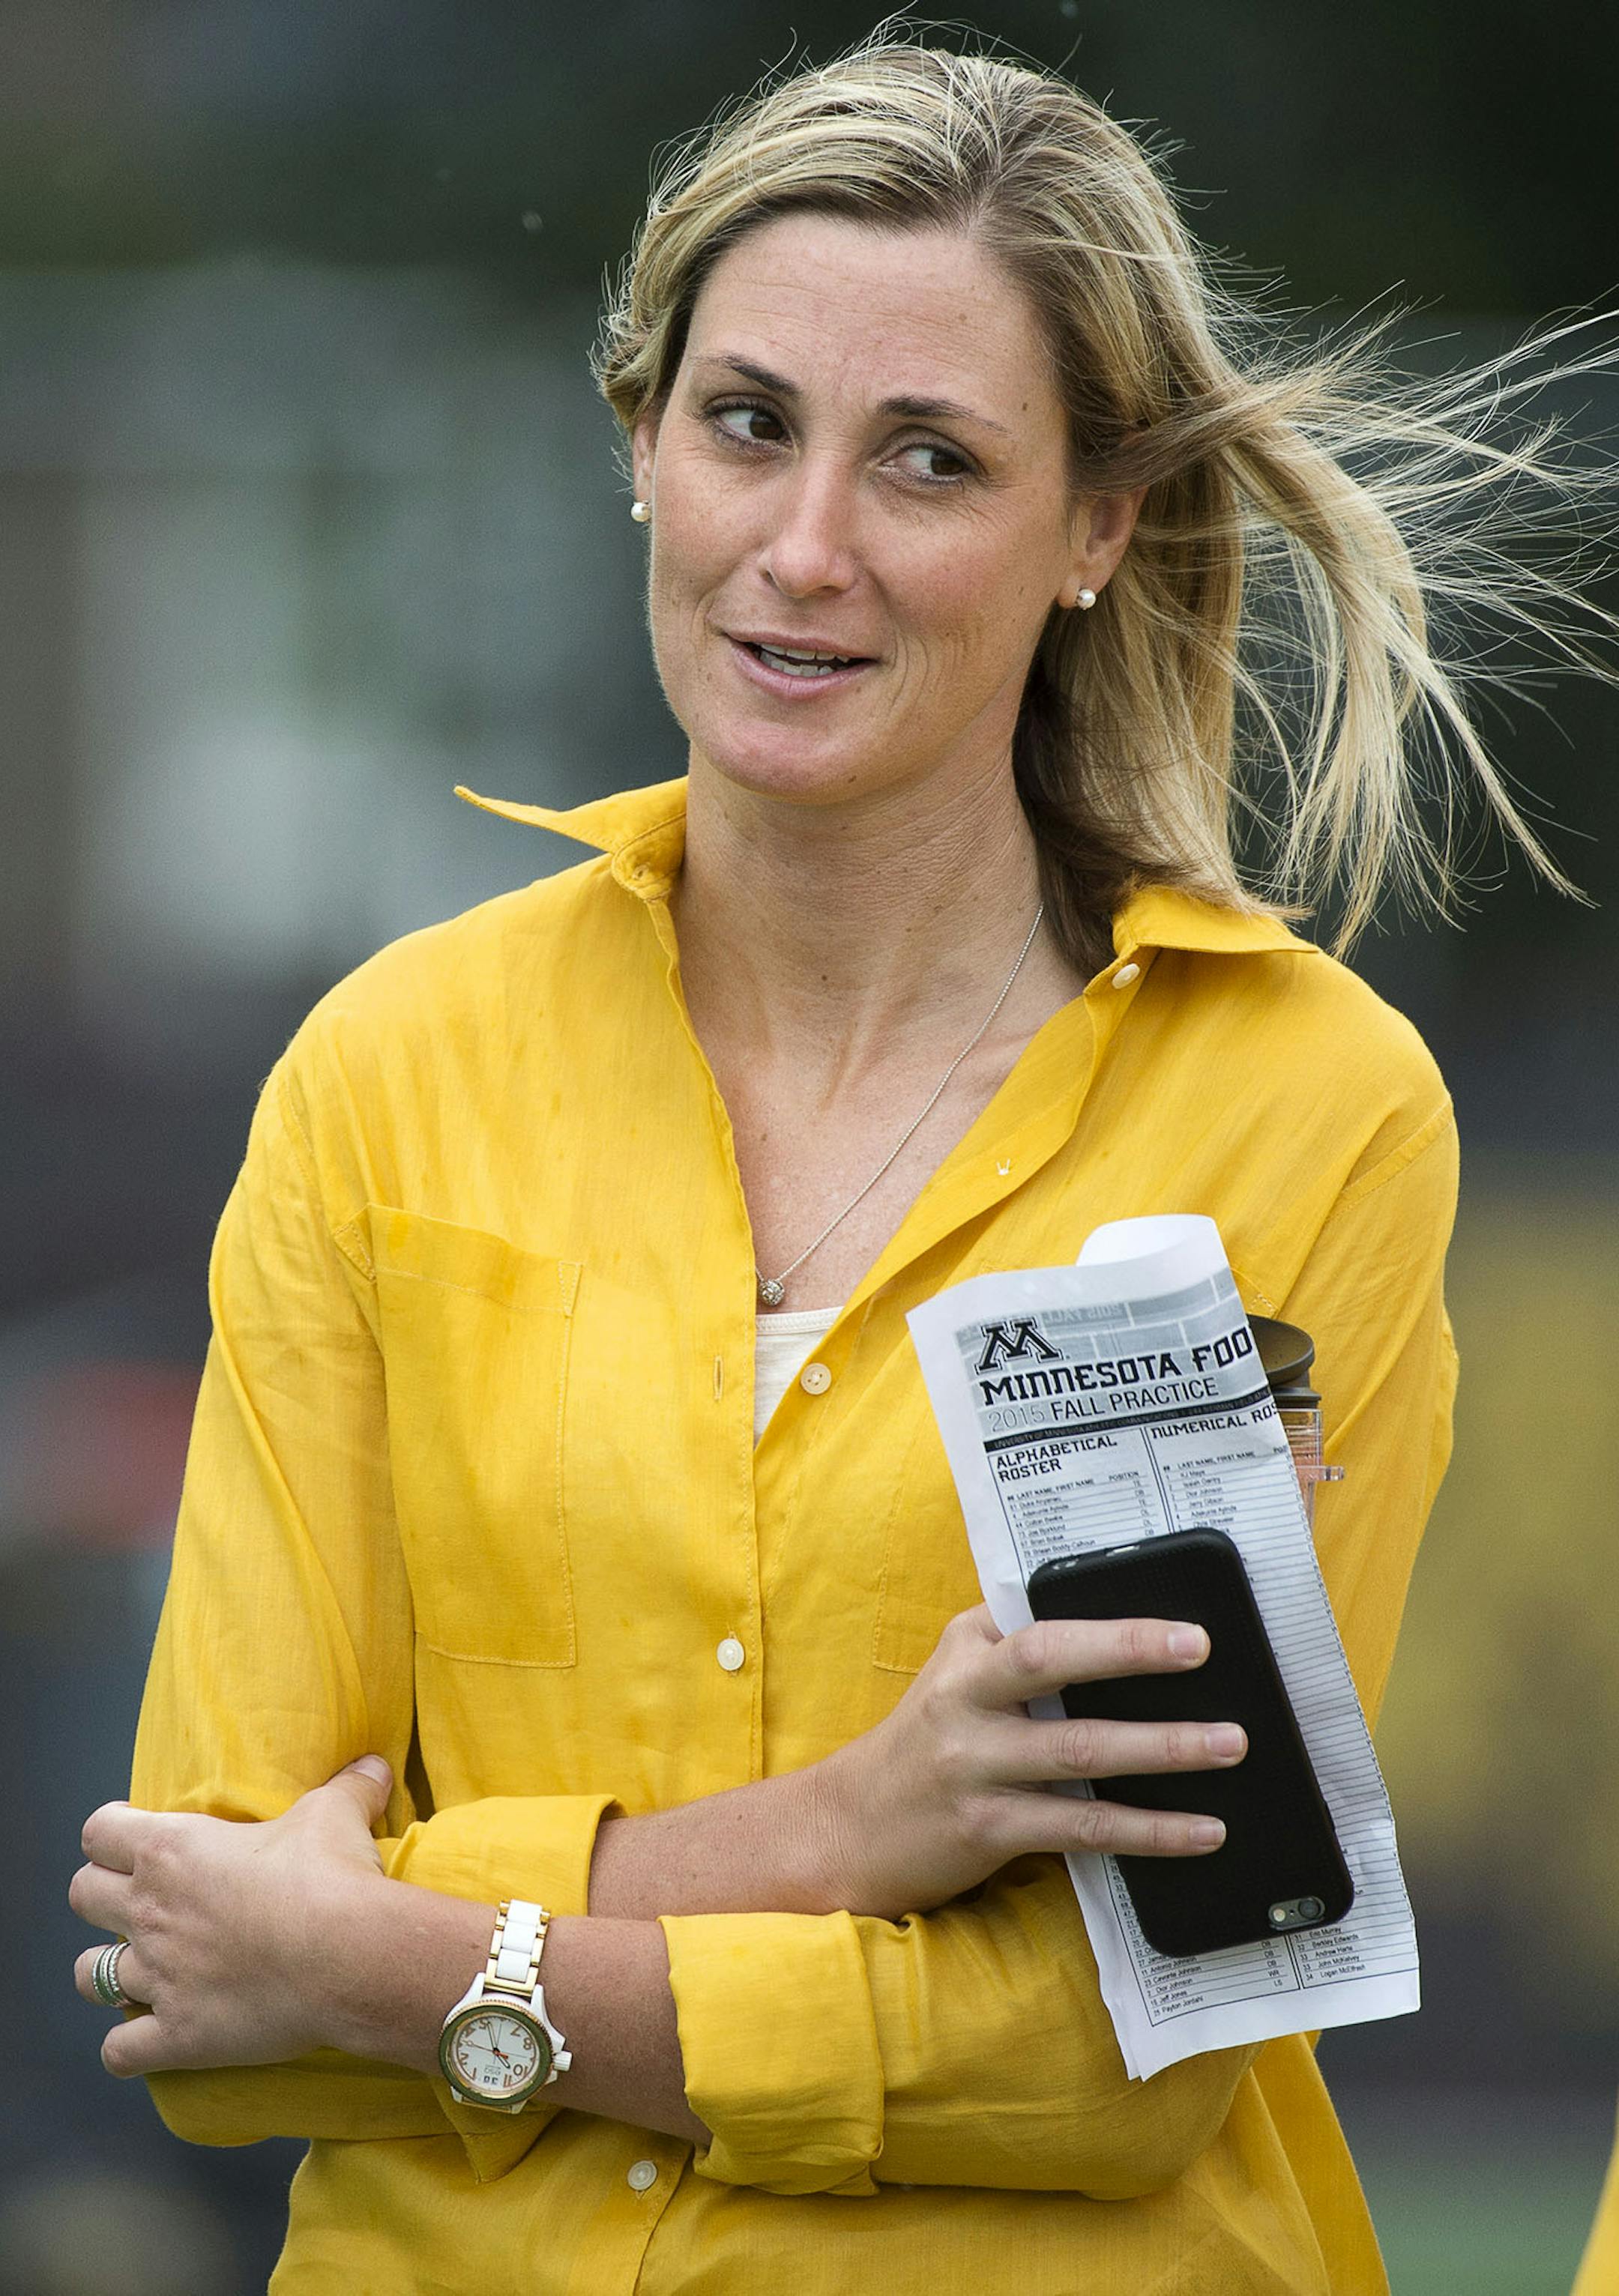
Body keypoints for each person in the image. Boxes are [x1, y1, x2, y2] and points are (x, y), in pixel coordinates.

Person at [65, 35, 1608, 2296]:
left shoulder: (1303, 1111)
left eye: (931, 461)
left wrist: (414, 1970)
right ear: (640, 444)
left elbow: (1123, 2053)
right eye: (749, 424)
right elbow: (198, 1973)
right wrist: (849, 1833)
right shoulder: (385, 1072)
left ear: (1099, 527)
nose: (805, 549)